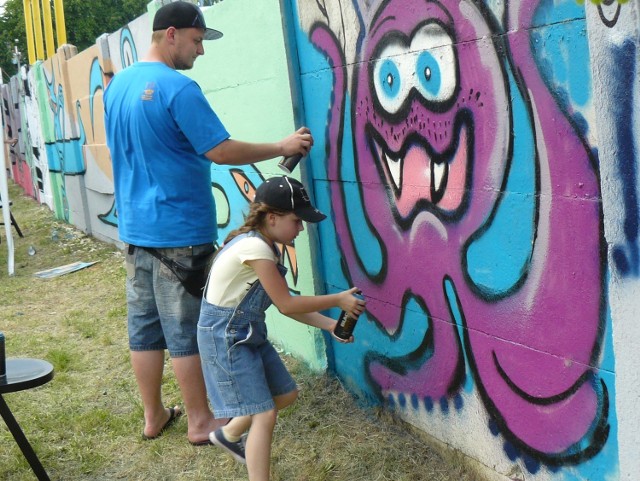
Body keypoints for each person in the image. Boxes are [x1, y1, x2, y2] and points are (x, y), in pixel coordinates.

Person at [103, 1, 313, 445]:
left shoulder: (118, 86)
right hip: (178, 230)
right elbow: (218, 150)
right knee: (184, 332)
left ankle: (153, 415)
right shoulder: (178, 88)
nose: (201, 52)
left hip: (135, 230)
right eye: (197, 41)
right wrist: (281, 144)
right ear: (172, 33)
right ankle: (200, 421)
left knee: (144, 328)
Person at [197, 175, 366, 480]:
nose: (301, 228)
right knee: (264, 412)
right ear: (272, 218)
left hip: (247, 331)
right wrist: (338, 300)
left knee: (285, 395)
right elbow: (287, 303)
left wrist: (331, 326)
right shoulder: (256, 249)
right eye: (297, 221)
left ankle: (228, 434)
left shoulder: (267, 246)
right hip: (225, 336)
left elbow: (283, 305)